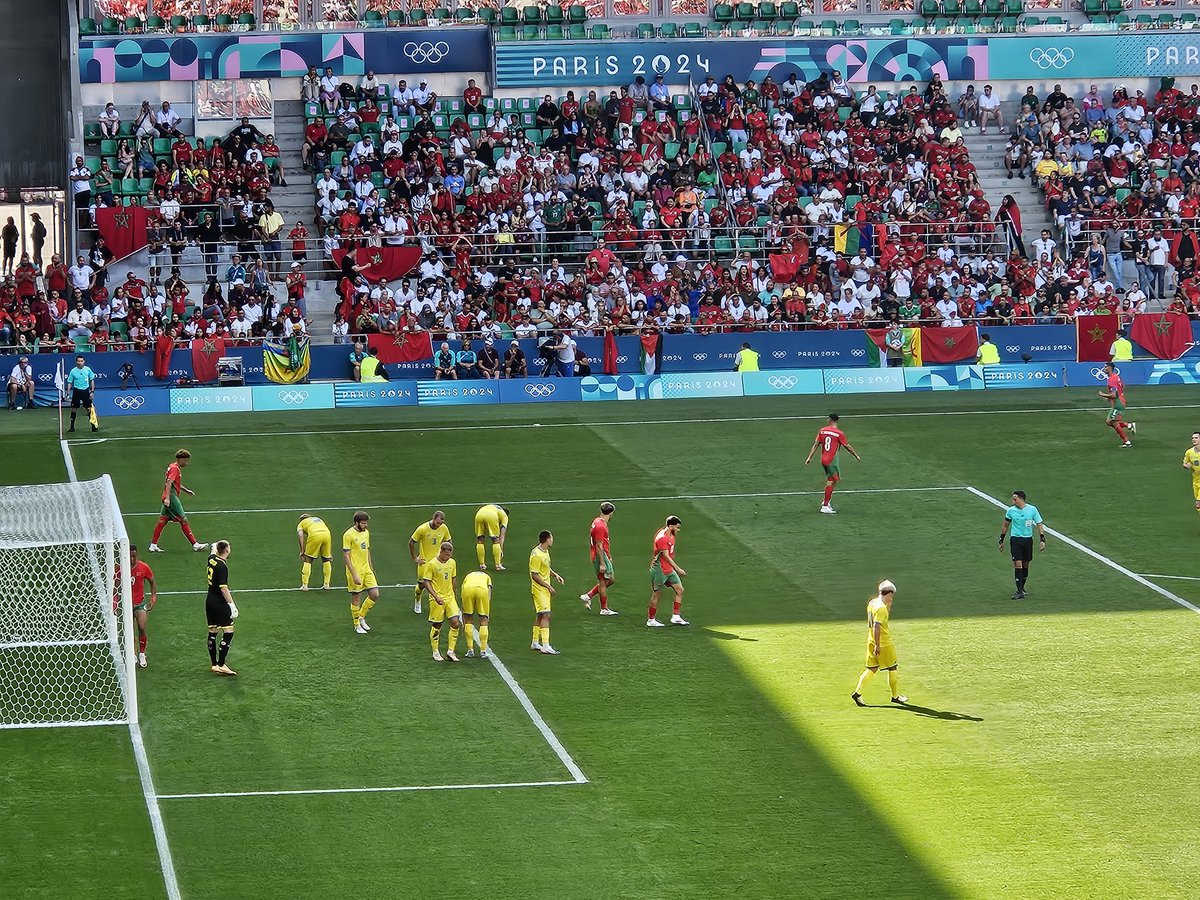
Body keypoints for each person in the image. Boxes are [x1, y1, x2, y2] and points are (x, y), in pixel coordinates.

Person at [851, 580, 906, 706]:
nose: (892, 597)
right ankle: (895, 696)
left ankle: (857, 693)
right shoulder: (881, 608)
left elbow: (880, 618)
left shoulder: (873, 603)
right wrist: (878, 645)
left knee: (871, 669)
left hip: (870, 640)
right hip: (883, 643)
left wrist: (889, 606)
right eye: (892, 595)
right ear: (889, 593)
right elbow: (877, 625)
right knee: (892, 668)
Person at [148, 449, 206, 553]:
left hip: (169, 496)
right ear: (181, 459)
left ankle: (153, 545)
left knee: (162, 520)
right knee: (183, 520)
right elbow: (169, 482)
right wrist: (167, 498)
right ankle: (195, 544)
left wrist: (186, 490)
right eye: (186, 461)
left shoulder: (172, 466)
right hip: (171, 497)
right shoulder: (175, 469)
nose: (187, 463)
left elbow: (175, 483)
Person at [804, 413, 861, 514]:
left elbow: (816, 444)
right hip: (831, 460)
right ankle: (825, 506)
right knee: (831, 481)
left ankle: (827, 501)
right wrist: (855, 455)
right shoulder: (839, 433)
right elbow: (847, 446)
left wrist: (809, 457)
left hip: (824, 459)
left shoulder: (822, 430)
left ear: (829, 420)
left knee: (833, 480)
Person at [997, 490, 1045, 600]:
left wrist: (1042, 539)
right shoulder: (1010, 511)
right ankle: (1019, 591)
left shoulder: (1032, 509)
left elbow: (1039, 524)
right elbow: (1005, 526)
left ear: (1021, 499)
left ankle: (1022, 588)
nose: (1013, 501)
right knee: (1018, 564)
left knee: (1026, 563)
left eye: (1015, 499)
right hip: (1016, 540)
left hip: (1028, 540)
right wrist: (1001, 540)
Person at [115, 544, 157, 669]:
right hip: (127, 604)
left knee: (142, 627)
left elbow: (152, 582)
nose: (132, 559)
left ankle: (142, 653)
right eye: (130, 556)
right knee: (131, 631)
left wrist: (153, 599)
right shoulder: (121, 568)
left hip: (140, 604)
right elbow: (115, 587)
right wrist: (115, 603)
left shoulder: (144, 567)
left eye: (134, 556)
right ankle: (132, 654)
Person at [422, 540, 462, 662]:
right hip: (437, 599)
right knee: (437, 625)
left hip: (449, 598)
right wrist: (435, 596)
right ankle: (435, 651)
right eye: (446, 554)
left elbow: (453, 578)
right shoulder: (432, 564)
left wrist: (454, 594)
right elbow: (426, 581)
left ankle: (451, 651)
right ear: (441, 552)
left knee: (455, 623)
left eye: (450, 555)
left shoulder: (452, 563)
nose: (448, 557)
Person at [647, 515, 687, 627]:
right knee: (656, 595)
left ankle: (676, 616)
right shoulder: (662, 539)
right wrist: (678, 569)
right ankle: (651, 620)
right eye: (676, 527)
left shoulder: (671, 534)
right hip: (659, 570)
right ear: (670, 526)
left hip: (668, 569)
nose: (678, 530)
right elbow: (666, 556)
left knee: (680, 590)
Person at [205, 540, 238, 676]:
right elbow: (224, 589)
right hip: (219, 603)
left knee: (213, 631)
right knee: (228, 631)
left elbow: (213, 550)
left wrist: (214, 546)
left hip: (209, 602)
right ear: (226, 550)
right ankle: (222, 664)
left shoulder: (212, 560)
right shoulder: (222, 567)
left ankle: (214, 664)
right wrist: (232, 605)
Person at [343, 511, 379, 634]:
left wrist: (371, 566)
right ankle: (356, 624)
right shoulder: (348, 535)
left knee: (375, 594)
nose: (365, 525)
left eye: (366, 523)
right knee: (356, 598)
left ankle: (361, 616)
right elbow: (346, 556)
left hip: (366, 569)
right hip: (355, 570)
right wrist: (354, 574)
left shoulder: (366, 532)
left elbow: (367, 550)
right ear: (356, 522)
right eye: (363, 523)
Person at [580, 501, 619, 615]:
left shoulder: (597, 521)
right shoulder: (601, 526)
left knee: (610, 579)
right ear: (611, 513)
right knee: (603, 581)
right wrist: (602, 562)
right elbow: (599, 545)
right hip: (599, 556)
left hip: (602, 554)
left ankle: (588, 596)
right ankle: (604, 609)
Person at [529, 530, 564, 655]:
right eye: (551, 538)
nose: (552, 540)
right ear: (547, 539)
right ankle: (545, 645)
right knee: (546, 615)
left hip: (543, 588)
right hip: (539, 589)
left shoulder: (544, 551)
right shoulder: (536, 555)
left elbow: (545, 568)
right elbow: (534, 575)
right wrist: (548, 587)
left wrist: (555, 575)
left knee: (540, 615)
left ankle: (534, 642)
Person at [409, 510, 450, 615]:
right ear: (433, 518)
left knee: (438, 585)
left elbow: (448, 541)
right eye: (438, 523)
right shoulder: (422, 529)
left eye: (441, 523)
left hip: (437, 562)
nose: (439, 525)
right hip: (424, 563)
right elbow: (411, 542)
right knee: (422, 586)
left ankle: (439, 605)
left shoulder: (444, 528)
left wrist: (447, 556)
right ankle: (417, 600)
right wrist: (415, 558)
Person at [1099, 361, 1135, 448]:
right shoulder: (1116, 377)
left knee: (1112, 422)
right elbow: (1123, 386)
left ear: (1110, 368)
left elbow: (1113, 395)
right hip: (1120, 401)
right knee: (1110, 422)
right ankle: (1128, 425)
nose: (1104, 369)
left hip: (1117, 403)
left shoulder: (1112, 379)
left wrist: (1102, 394)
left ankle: (1127, 441)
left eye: (1105, 367)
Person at [461, 567, 493, 659]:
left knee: (468, 619)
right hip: (482, 590)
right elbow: (489, 591)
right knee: (483, 620)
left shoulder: (468, 576)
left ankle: (470, 650)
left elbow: (463, 590)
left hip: (468, 590)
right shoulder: (487, 577)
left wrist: (464, 612)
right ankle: (483, 651)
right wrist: (486, 613)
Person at [296, 513, 333, 591]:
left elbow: (300, 535)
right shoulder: (318, 519)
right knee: (326, 559)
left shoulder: (301, 523)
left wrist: (302, 551)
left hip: (315, 535)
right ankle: (327, 584)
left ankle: (305, 585)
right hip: (327, 534)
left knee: (308, 560)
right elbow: (325, 531)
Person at [65, 354, 97, 433]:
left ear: (84, 361)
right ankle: (72, 427)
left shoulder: (88, 370)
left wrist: (92, 392)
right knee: (74, 409)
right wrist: (68, 393)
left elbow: (92, 380)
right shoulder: (73, 371)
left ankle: (93, 425)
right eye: (78, 361)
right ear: (76, 362)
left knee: (89, 409)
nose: (80, 363)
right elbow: (70, 382)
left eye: (81, 361)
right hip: (76, 391)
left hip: (85, 391)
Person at [474, 503, 509, 571]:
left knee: (480, 539)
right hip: (491, 516)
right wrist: (501, 547)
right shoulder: (504, 516)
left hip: (479, 514)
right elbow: (502, 533)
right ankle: (498, 565)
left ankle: (482, 565)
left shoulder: (493, 507)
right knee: (495, 539)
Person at [1182, 432, 1200, 522]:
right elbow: (1185, 463)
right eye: (1193, 438)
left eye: (1196, 438)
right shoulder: (1189, 452)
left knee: (1198, 502)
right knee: (1198, 507)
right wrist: (1186, 466)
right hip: (1195, 480)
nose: (1194, 439)